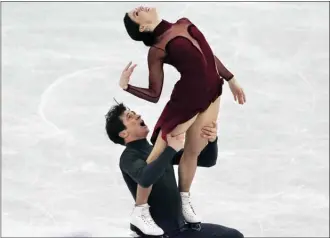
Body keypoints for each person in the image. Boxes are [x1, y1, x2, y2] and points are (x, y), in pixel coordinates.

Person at [119, 6, 246, 235]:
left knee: (194, 150)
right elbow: (154, 93)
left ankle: (184, 198)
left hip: (212, 93)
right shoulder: (157, 49)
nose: (139, 8)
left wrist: (230, 78)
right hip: (187, 98)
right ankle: (140, 210)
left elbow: (207, 56)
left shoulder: (182, 23)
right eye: (136, 14)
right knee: (159, 151)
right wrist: (126, 87)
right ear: (144, 27)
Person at [105, 102, 244, 237]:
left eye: (134, 113)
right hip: (161, 234)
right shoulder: (129, 157)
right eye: (130, 117)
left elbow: (207, 160)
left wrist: (212, 140)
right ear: (123, 134)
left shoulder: (157, 149)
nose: (138, 115)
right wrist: (171, 149)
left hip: (180, 229)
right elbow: (145, 178)